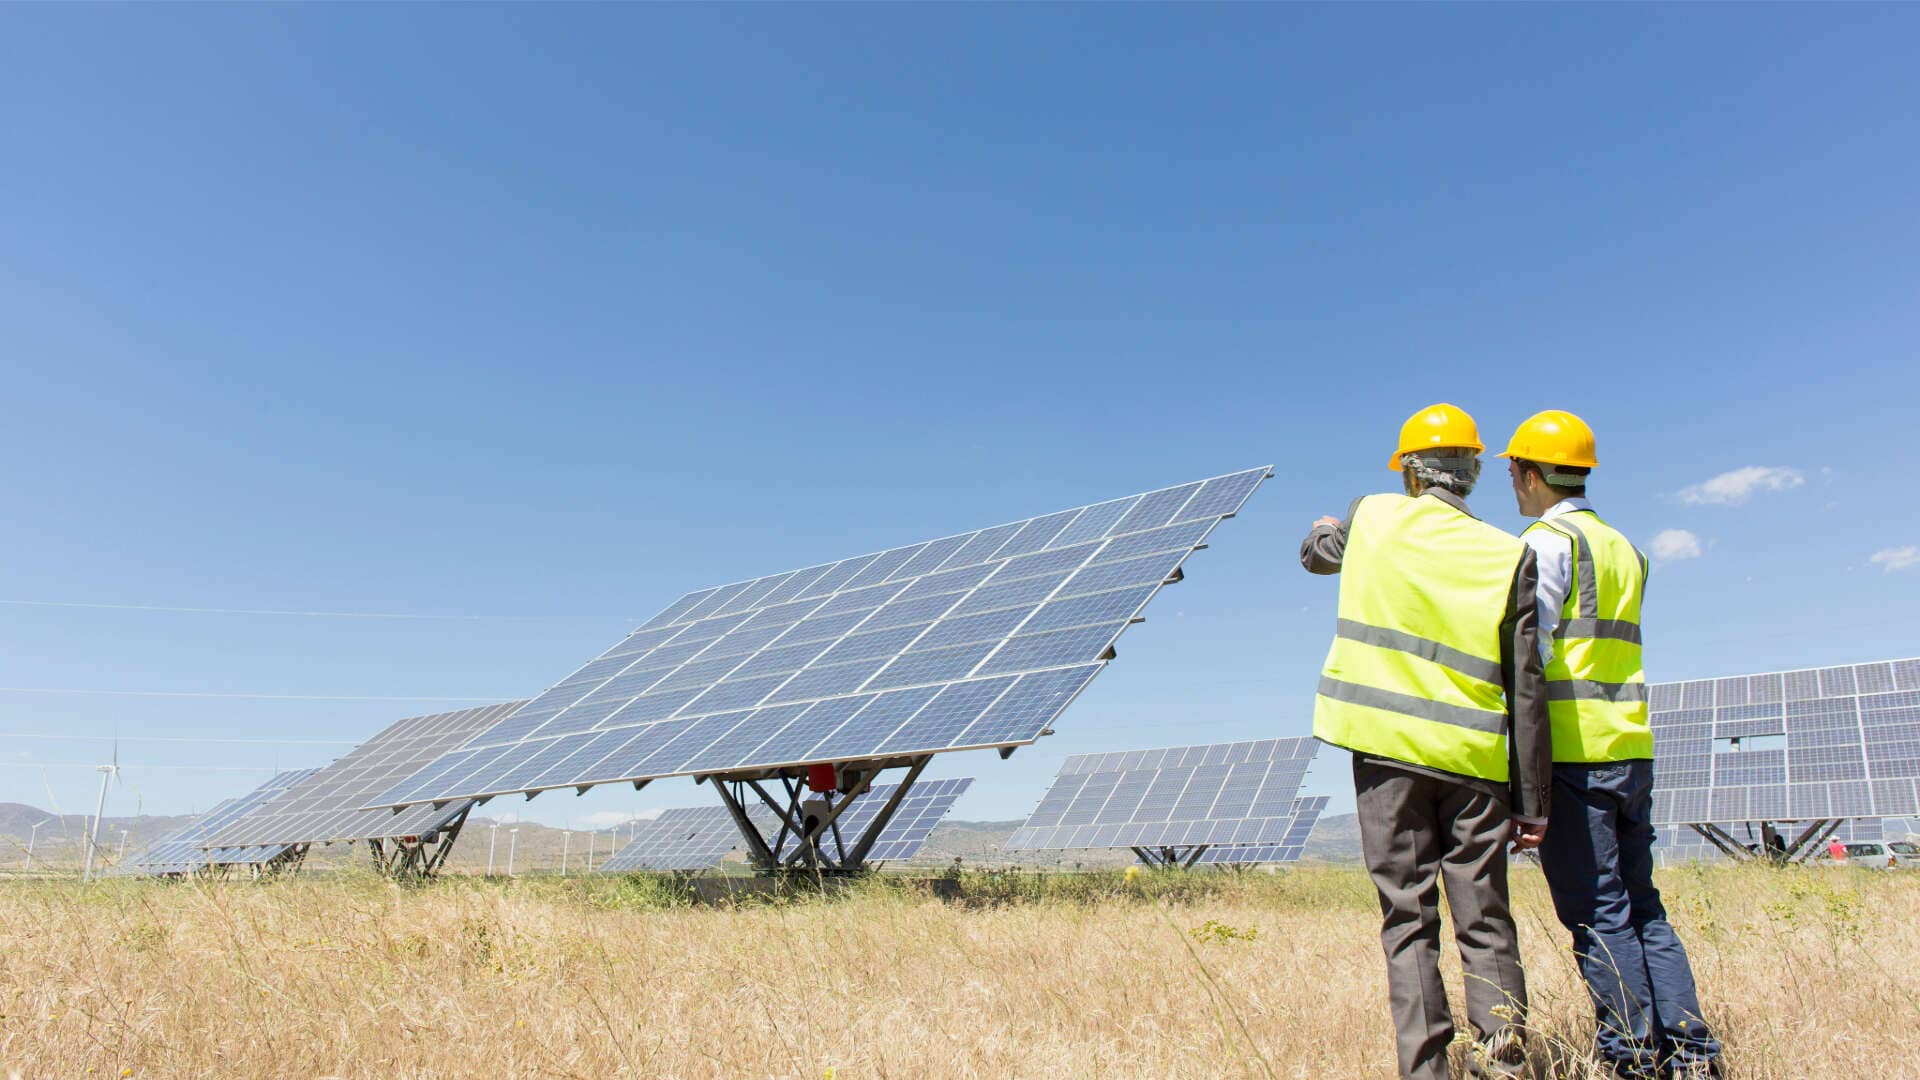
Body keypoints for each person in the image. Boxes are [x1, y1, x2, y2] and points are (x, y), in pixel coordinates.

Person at [1303, 402, 1552, 1080]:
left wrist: (1328, 527)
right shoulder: (1511, 554)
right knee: (1486, 918)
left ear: (1410, 472)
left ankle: (1428, 1071)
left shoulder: (1373, 516)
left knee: (1408, 920)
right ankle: (1502, 1064)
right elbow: (1527, 687)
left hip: (1387, 760)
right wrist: (1534, 800)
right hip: (1476, 765)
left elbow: (1316, 556)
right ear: (1473, 471)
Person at [1501, 409, 1722, 1080]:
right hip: (1631, 746)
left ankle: (1633, 1058)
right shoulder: (1627, 548)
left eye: (1514, 473)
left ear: (1530, 474)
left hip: (1575, 754)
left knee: (1598, 914)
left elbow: (1528, 655)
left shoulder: (1542, 546)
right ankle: (1692, 1054)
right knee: (1642, 905)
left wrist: (1519, 773)